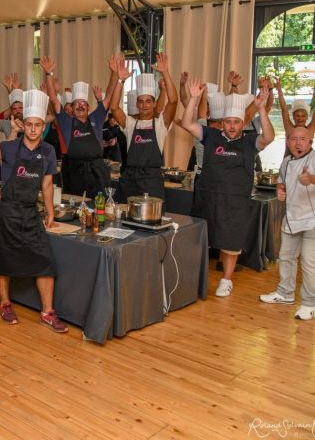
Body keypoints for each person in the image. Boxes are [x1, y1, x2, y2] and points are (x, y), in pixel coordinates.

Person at [0, 89, 67, 332]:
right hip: (6, 212)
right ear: (22, 124)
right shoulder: (8, 148)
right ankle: (5, 303)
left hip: (30, 212)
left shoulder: (48, 151)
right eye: (29, 124)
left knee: (45, 261)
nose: (34, 129)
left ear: (42, 126)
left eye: (38, 125)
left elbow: (47, 184)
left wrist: (49, 212)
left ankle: (47, 312)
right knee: (3, 260)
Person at [180, 78, 273, 297]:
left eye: (236, 122)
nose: (231, 126)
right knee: (202, 238)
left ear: (243, 123)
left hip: (235, 200)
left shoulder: (250, 143)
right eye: (228, 121)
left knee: (230, 241)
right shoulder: (211, 136)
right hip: (208, 197)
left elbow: (268, 137)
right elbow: (187, 124)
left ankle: (226, 280)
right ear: (222, 122)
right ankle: (196, 275)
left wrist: (262, 110)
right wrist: (194, 98)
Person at [260, 127, 315, 320]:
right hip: (292, 218)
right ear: (288, 141)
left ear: (310, 141)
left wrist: (312, 179)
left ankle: (310, 303)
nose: (298, 143)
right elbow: (282, 182)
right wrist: (280, 190)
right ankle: (285, 294)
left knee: (309, 262)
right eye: (293, 139)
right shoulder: (285, 162)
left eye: (303, 139)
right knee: (286, 257)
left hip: (312, 220)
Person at [109, 53, 177, 201]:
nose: (144, 105)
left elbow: (173, 101)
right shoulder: (130, 124)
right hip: (129, 180)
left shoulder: (161, 125)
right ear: (136, 104)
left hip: (152, 182)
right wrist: (120, 81)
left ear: (154, 104)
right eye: (141, 101)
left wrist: (165, 73)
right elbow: (114, 108)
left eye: (148, 101)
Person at [46, 55, 116, 198]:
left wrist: (114, 73)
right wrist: (49, 74)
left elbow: (108, 97)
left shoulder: (95, 118)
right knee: (75, 205)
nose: (80, 106)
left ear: (89, 107)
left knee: (99, 206)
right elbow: (53, 99)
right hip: (73, 171)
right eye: (76, 103)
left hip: (97, 171)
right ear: (71, 108)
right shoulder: (66, 122)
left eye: (83, 103)